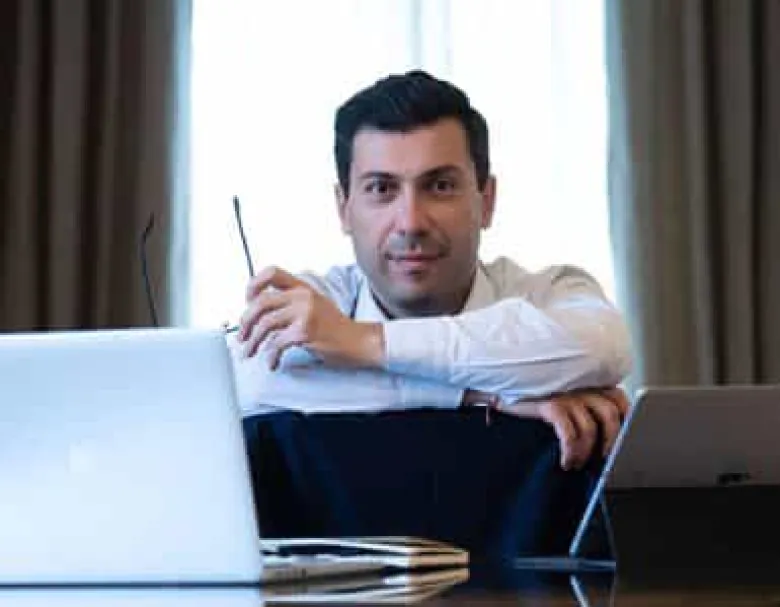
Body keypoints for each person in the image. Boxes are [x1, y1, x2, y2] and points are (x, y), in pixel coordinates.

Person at [230, 70, 632, 471]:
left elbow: (604, 348)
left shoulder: (550, 292)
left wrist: (362, 342)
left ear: (486, 201)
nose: (410, 223)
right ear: (343, 209)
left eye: (439, 186)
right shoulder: (319, 303)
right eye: (381, 189)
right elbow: (247, 382)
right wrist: (488, 394)